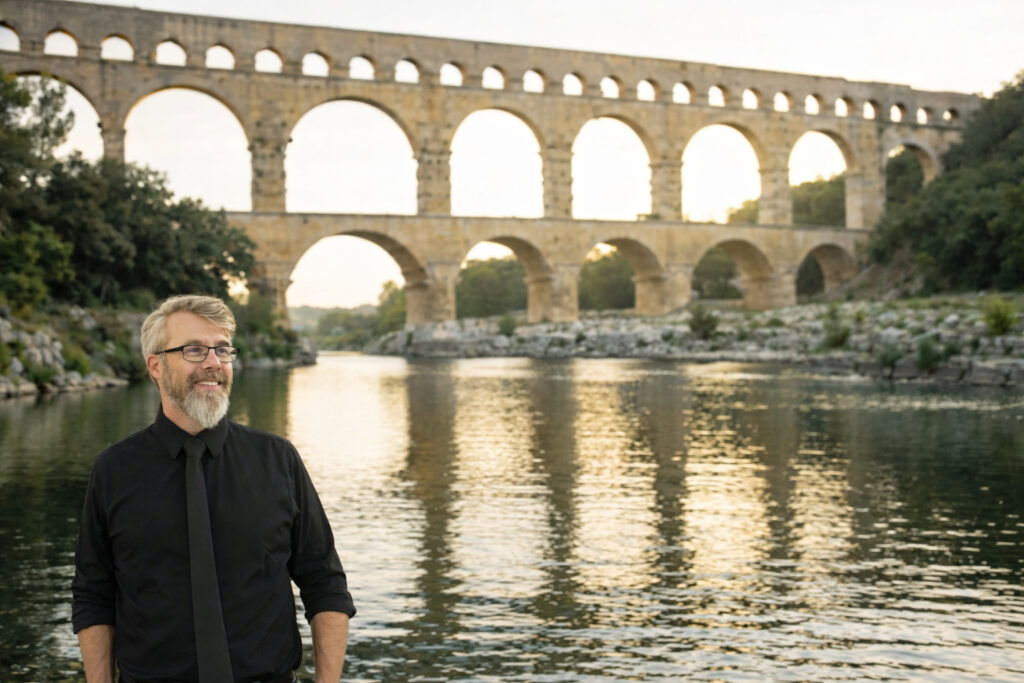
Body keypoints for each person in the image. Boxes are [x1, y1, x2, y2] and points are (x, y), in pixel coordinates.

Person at [72, 294, 355, 683]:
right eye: (194, 350)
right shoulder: (113, 470)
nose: (213, 363)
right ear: (156, 365)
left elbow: (325, 583)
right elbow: (94, 596)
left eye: (222, 350)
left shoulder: (279, 460)